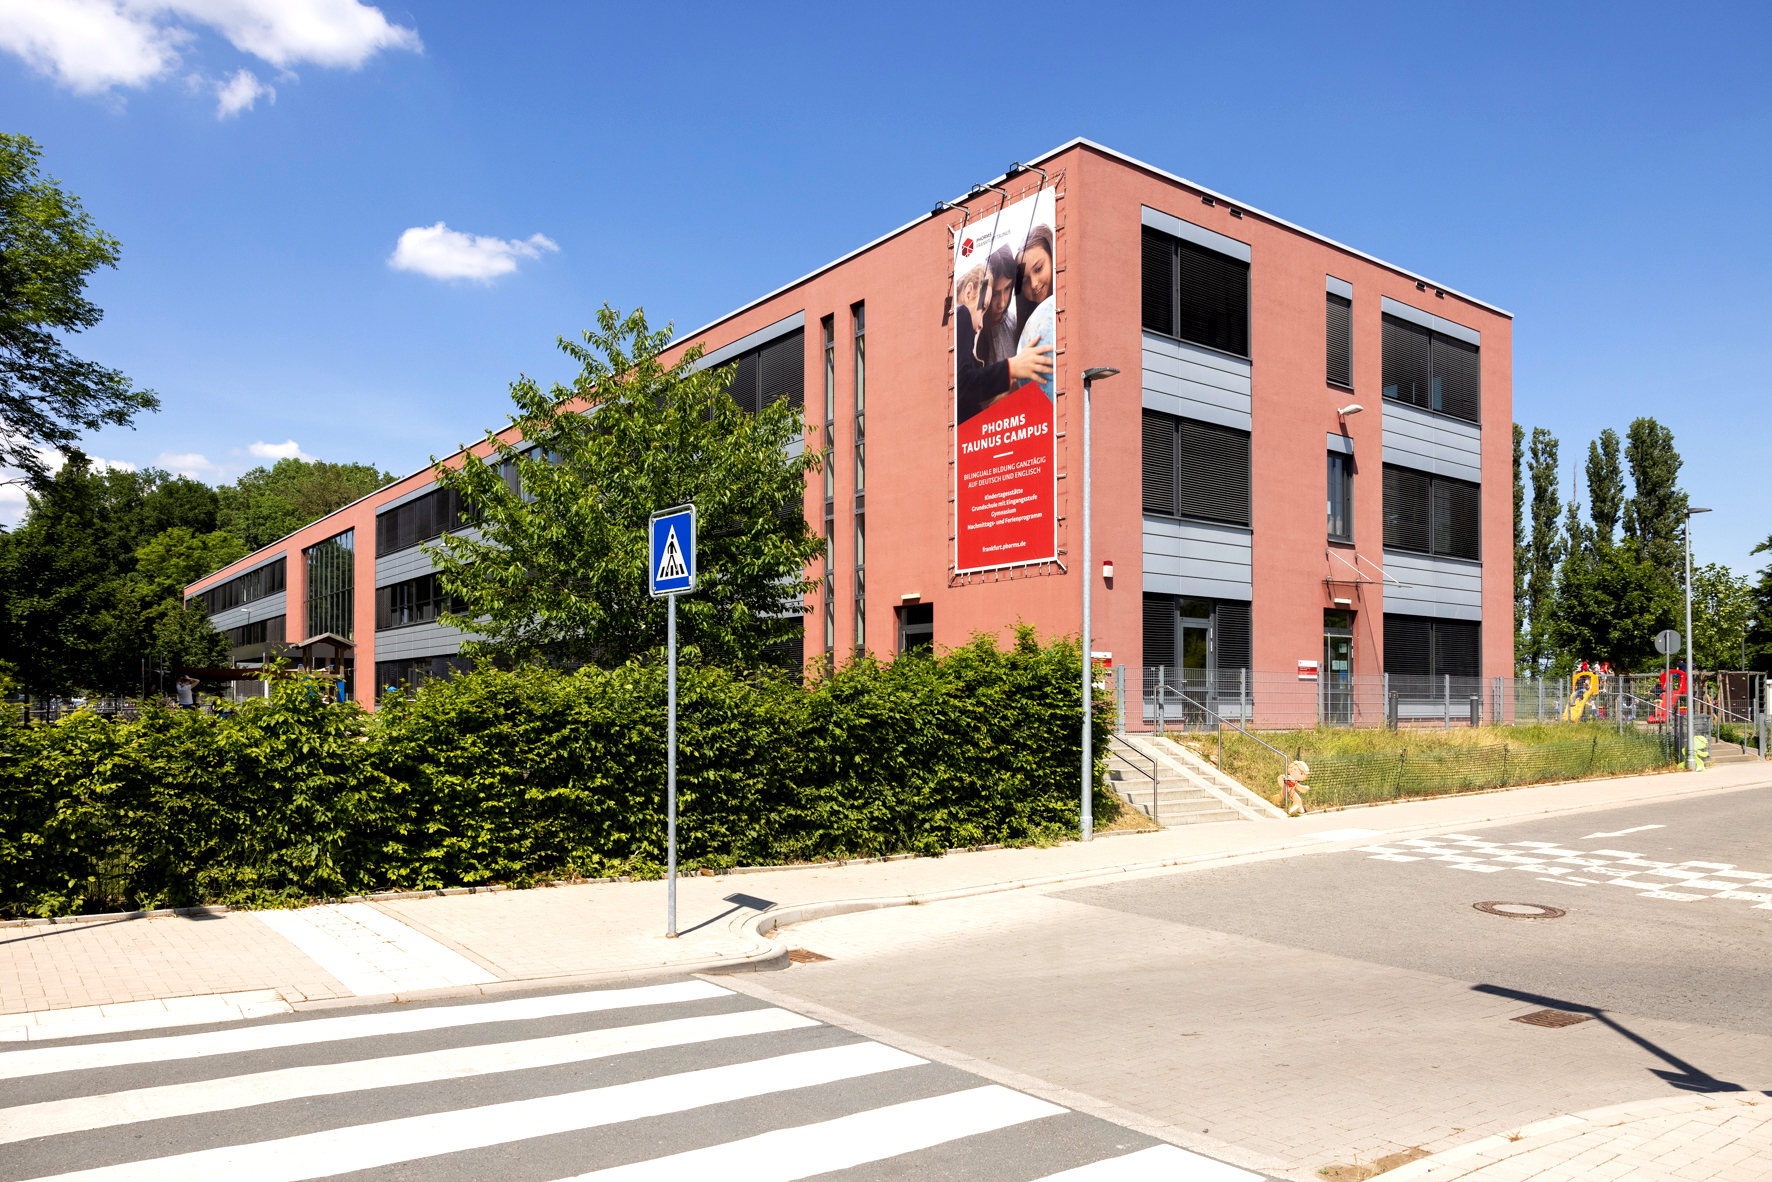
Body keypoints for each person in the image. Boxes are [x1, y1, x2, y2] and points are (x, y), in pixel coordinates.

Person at [956, 261, 1056, 423]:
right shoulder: (962, 314)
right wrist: (1012, 367)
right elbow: (962, 386)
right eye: (984, 307)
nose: (981, 323)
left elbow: (968, 403)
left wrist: (1009, 389)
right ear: (968, 293)